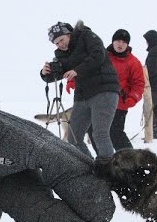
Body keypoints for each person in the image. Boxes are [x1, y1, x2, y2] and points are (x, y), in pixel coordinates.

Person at [40, 20, 120, 175]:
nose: (60, 45)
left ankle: (110, 173)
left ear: (68, 33)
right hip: (83, 95)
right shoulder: (61, 54)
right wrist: (46, 72)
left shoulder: (86, 36)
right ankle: (91, 170)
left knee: (99, 133)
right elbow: (57, 74)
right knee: (74, 136)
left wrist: (77, 70)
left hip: (104, 89)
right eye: (56, 43)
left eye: (61, 40)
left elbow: (98, 55)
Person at [85, 29, 145, 151]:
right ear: (113, 42)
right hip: (98, 102)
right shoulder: (101, 56)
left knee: (115, 133)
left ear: (127, 44)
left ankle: (132, 161)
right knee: (93, 131)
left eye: (124, 42)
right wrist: (72, 81)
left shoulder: (133, 62)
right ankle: (104, 160)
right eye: (118, 40)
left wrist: (132, 97)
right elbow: (86, 70)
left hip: (119, 104)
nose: (120, 44)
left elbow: (139, 84)